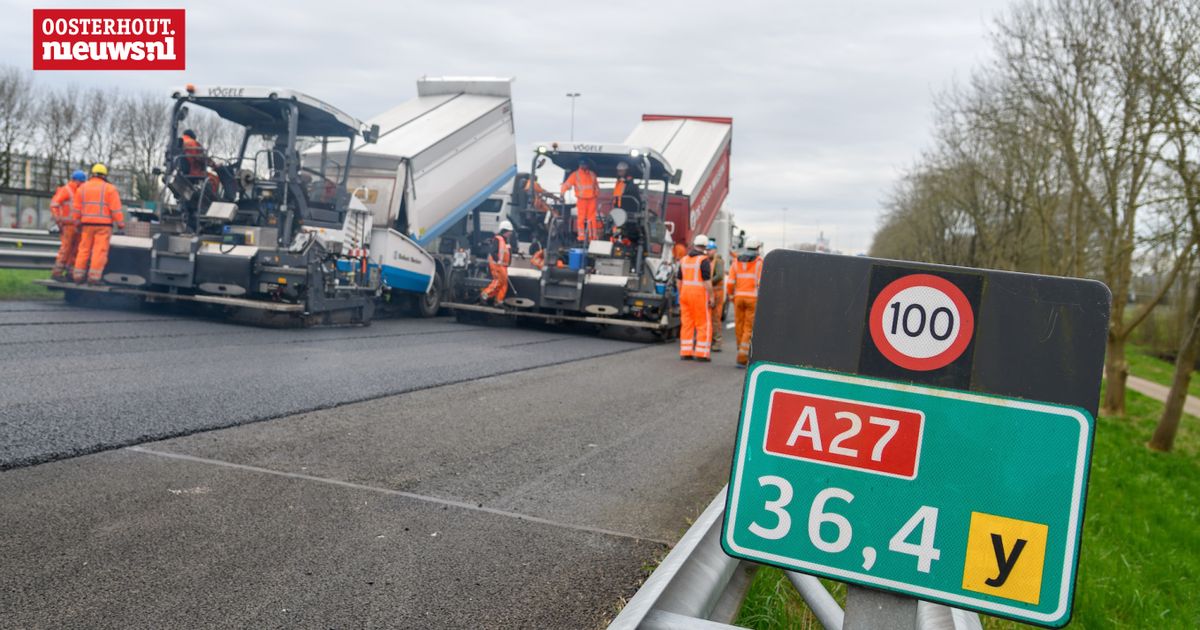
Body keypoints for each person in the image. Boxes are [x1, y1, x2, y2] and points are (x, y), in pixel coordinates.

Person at [71, 163, 124, 285]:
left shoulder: (82, 188)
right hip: (103, 226)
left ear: (92, 174)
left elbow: (76, 209)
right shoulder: (110, 189)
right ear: (104, 175)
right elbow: (115, 209)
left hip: (86, 225)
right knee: (99, 251)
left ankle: (78, 276)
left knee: (83, 249)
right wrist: (120, 224)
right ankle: (93, 278)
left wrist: (76, 222)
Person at [726, 239, 764, 367]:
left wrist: (731, 295)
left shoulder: (736, 261)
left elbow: (730, 282)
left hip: (738, 298)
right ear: (757, 248)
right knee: (748, 328)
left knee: (739, 326)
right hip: (752, 299)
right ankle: (742, 357)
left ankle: (740, 350)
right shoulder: (759, 262)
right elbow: (761, 283)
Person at [677, 234, 714, 362]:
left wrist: (680, 293)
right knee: (703, 324)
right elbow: (707, 281)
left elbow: (679, 280)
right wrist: (712, 297)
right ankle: (702, 353)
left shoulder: (684, 259)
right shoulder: (704, 260)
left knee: (687, 323)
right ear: (705, 246)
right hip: (699, 294)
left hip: (685, 293)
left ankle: (685, 352)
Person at [50, 170, 87, 280]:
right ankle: (57, 273)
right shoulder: (66, 190)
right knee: (66, 249)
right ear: (78, 181)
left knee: (75, 250)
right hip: (68, 225)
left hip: (77, 225)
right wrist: (59, 220)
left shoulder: (80, 191)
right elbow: (54, 204)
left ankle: (70, 273)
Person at [561, 159, 599, 242]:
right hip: (582, 199)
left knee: (592, 219)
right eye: (582, 164)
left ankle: (592, 236)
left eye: (585, 164)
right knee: (581, 218)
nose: (584, 166)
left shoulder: (592, 174)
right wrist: (562, 193)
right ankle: (581, 237)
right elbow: (567, 184)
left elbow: (596, 186)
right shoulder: (575, 175)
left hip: (591, 199)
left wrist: (596, 194)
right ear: (580, 165)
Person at [480, 220, 514, 305]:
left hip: (504, 266)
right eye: (509, 231)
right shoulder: (498, 239)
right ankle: (485, 295)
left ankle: (498, 301)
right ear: (504, 231)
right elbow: (493, 252)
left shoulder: (506, 241)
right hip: (498, 265)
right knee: (499, 282)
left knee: (504, 284)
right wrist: (498, 260)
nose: (510, 233)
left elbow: (508, 251)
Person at [707, 239, 726, 353]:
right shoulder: (708, 261)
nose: (708, 252)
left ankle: (717, 342)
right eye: (707, 250)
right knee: (708, 318)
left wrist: (708, 282)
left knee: (715, 318)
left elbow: (719, 276)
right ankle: (710, 340)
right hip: (711, 292)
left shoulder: (718, 261)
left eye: (710, 250)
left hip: (717, 293)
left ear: (714, 250)